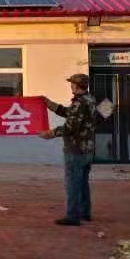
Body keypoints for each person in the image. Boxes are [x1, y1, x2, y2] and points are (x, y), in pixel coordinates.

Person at [39, 73, 97, 226]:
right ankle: (84, 212)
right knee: (82, 182)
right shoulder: (90, 99)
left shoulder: (79, 103)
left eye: (72, 83)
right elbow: (70, 114)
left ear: (77, 85)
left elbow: (71, 127)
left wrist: (52, 133)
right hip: (87, 149)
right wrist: (50, 104)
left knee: (73, 183)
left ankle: (73, 216)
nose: (71, 86)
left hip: (75, 150)